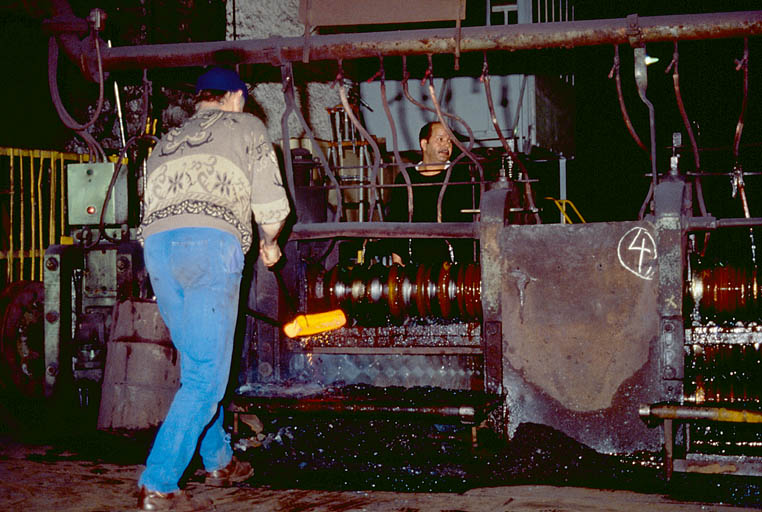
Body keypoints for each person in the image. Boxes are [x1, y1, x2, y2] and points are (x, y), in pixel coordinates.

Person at [136, 67, 290, 511]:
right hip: (210, 246)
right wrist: (269, 243)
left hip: (159, 251)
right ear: (236, 97)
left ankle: (219, 459)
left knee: (197, 365)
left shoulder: (168, 138)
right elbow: (273, 206)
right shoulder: (247, 126)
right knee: (206, 377)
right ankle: (158, 479)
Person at [388, 121, 477, 265]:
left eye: (449, 141)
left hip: (455, 267)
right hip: (414, 266)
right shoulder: (406, 177)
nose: (446, 145)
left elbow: (471, 223)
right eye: (440, 139)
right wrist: (397, 259)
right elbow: (396, 218)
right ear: (424, 144)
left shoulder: (461, 176)